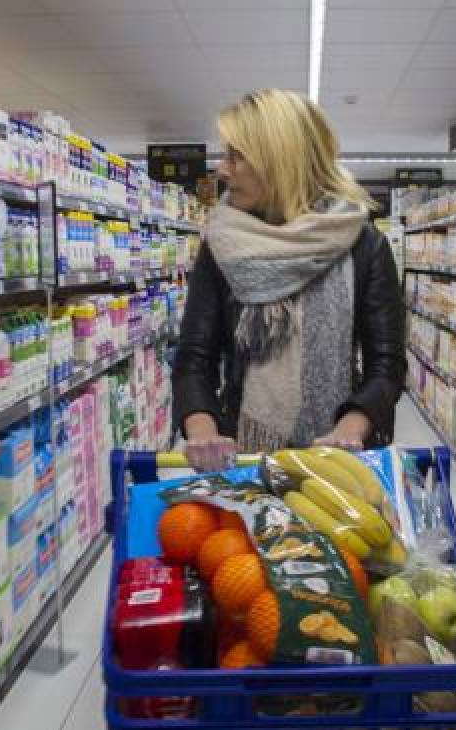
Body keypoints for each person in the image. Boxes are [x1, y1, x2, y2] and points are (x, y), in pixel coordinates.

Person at [173, 88, 406, 472]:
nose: (222, 169)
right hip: (244, 452)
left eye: (236, 156)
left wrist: (352, 426)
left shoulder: (364, 245)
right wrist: (202, 427)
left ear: (279, 161)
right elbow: (194, 358)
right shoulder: (223, 246)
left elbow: (387, 363)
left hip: (341, 457)